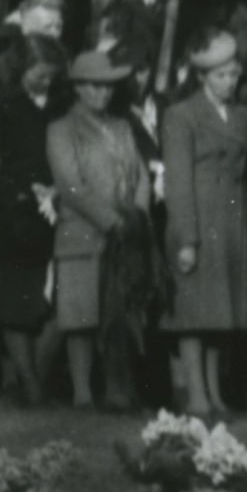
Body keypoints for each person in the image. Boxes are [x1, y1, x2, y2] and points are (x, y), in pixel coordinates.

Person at [157, 28, 247, 417]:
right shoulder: (181, 116)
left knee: (222, 313)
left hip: (232, 218)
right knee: (193, 312)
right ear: (201, 77)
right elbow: (177, 179)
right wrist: (186, 238)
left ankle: (215, 394)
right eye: (220, 76)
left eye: (234, 75)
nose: (229, 82)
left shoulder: (244, 117)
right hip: (198, 215)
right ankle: (196, 394)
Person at [48, 48, 156, 410]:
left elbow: (141, 174)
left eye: (108, 87)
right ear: (77, 88)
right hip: (84, 233)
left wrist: (137, 214)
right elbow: (70, 184)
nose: (103, 93)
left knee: (119, 315)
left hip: (125, 235)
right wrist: (111, 220)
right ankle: (82, 392)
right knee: (80, 318)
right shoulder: (62, 129)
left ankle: (117, 388)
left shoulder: (122, 126)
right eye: (94, 86)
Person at [0, 34, 63, 402]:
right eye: (40, 73)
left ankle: (31, 381)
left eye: (52, 74)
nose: (47, 81)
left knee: (51, 303)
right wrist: (18, 193)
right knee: (15, 304)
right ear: (21, 67)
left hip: (54, 210)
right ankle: (32, 387)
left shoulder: (59, 104)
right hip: (14, 217)